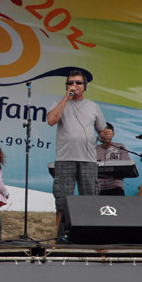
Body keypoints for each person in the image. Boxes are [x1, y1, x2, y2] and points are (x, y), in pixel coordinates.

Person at [47, 70, 112, 231]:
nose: (74, 85)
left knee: (90, 199)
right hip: (65, 158)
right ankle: (59, 237)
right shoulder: (58, 102)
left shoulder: (93, 106)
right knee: (62, 200)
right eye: (70, 83)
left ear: (85, 87)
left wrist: (108, 135)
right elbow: (51, 120)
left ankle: (90, 234)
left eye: (78, 83)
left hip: (88, 159)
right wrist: (66, 98)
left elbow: (103, 134)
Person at [96, 122, 130, 195]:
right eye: (103, 133)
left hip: (116, 187)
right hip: (97, 189)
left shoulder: (120, 147)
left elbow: (126, 167)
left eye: (108, 133)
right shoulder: (94, 149)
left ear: (113, 134)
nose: (105, 135)